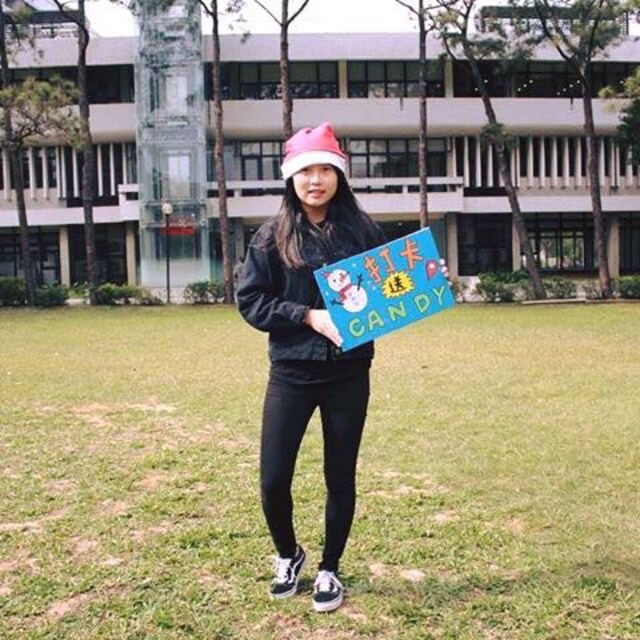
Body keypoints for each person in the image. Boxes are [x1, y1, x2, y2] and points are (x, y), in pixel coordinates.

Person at [236, 122, 386, 613]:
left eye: (325, 169)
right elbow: (251, 301)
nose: (315, 180)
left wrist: (424, 278)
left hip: (348, 372)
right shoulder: (271, 236)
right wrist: (305, 315)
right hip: (291, 373)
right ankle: (288, 554)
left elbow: (387, 291)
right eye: (305, 171)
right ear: (291, 178)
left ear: (340, 175)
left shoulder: (363, 232)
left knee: (339, 476)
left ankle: (329, 568)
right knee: (273, 478)